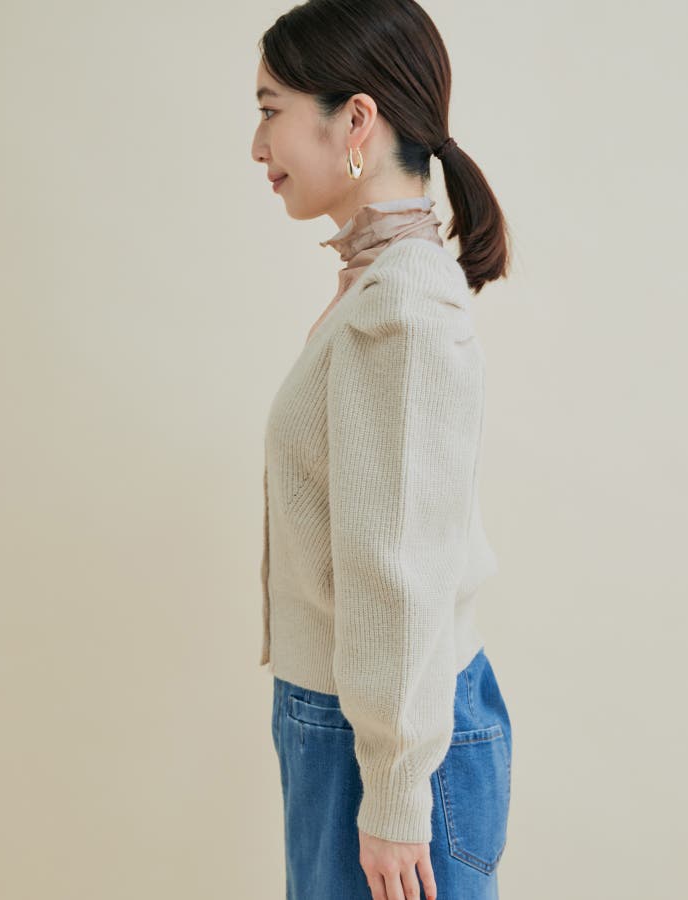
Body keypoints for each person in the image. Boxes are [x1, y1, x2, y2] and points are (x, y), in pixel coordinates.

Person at [251, 2, 515, 898]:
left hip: (379, 740)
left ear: (355, 120)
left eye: (271, 109)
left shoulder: (399, 306)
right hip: (363, 725)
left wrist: (397, 793)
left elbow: (398, 566)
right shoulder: (380, 285)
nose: (258, 145)